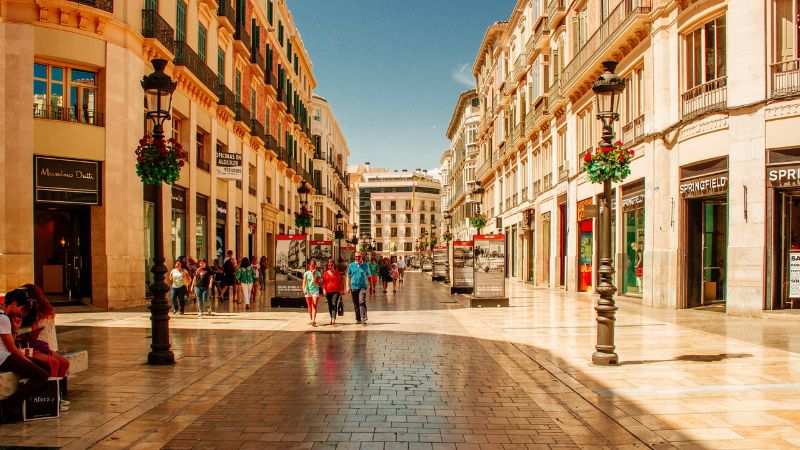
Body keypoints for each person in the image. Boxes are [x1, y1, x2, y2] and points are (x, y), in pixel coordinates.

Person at [0, 289, 50, 422]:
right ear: (14, 304)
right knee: (42, 375)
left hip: (6, 355)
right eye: (22, 308)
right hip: (3, 358)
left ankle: (22, 403)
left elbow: (8, 342)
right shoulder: (3, 319)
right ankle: (11, 403)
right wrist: (27, 361)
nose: (22, 313)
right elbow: (11, 348)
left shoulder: (4, 317)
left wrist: (15, 329)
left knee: (45, 366)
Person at [346, 252, 371, 324]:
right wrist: (347, 286)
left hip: (363, 287)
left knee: (362, 301)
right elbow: (348, 276)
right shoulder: (351, 265)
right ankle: (358, 318)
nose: (357, 258)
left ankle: (363, 318)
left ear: (362, 257)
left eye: (359, 256)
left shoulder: (365, 265)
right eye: (356, 256)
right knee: (356, 303)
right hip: (354, 287)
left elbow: (369, 276)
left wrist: (371, 287)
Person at [322, 259, 343, 325]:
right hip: (328, 291)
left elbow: (340, 283)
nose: (330, 266)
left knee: (334, 304)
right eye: (329, 265)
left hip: (336, 291)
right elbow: (324, 283)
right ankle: (331, 317)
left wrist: (341, 290)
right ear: (327, 266)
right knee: (330, 305)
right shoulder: (325, 273)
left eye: (331, 265)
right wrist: (324, 290)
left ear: (334, 265)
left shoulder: (337, 273)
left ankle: (333, 318)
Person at [303, 260, 321, 326]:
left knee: (314, 305)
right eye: (311, 266)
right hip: (308, 291)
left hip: (315, 290)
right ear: (309, 266)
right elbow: (304, 282)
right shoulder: (306, 273)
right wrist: (304, 289)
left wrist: (313, 274)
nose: (312, 267)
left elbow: (316, 282)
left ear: (315, 266)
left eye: (313, 266)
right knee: (309, 306)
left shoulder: (318, 273)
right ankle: (311, 319)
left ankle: (313, 320)